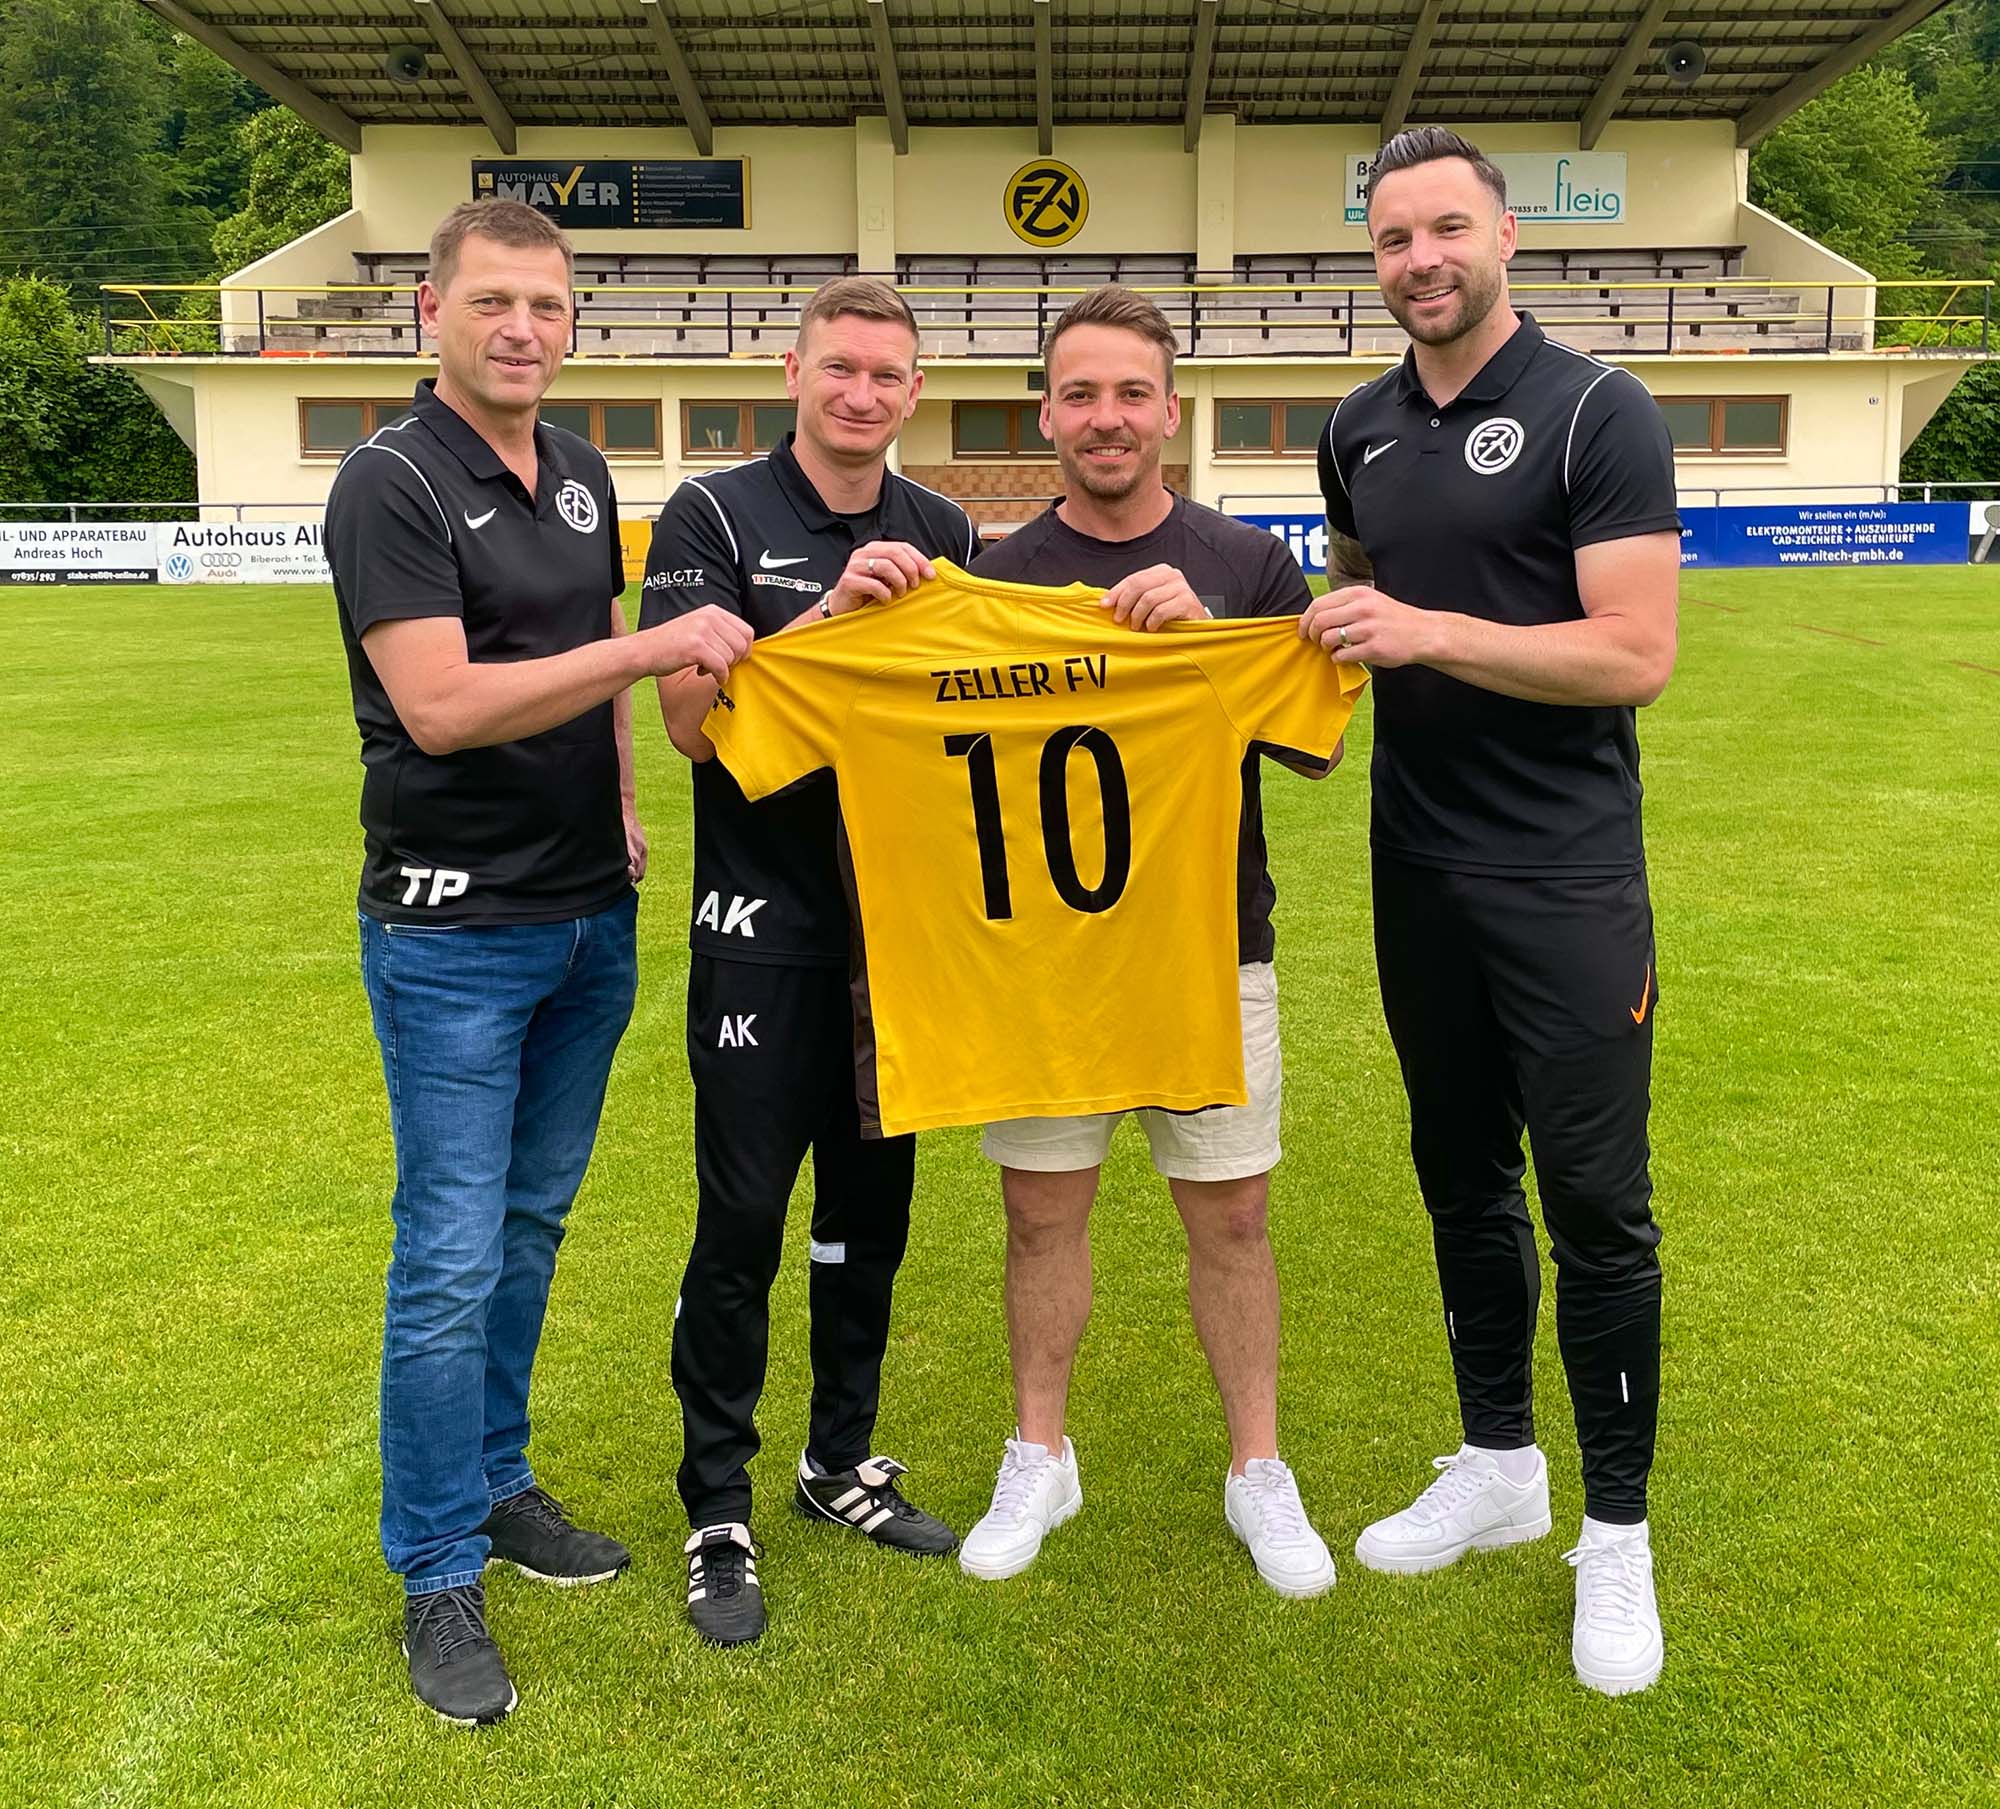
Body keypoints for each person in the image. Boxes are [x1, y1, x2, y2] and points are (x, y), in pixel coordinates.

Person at [324, 198, 753, 1727]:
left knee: (526, 1225)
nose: (522, 328)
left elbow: (591, 679)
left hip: (585, 919)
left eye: (548, 306)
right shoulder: (388, 480)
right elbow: (439, 706)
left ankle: (498, 1483)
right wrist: (655, 647)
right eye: (493, 300)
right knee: (447, 1254)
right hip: (453, 931)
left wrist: (626, 800)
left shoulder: (577, 469)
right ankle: (438, 1567)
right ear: (430, 311)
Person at [1308, 127, 1680, 1695]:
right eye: (1395, 239)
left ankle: (1618, 1533)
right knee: (1460, 1178)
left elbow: (1634, 652)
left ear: (1505, 237)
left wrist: (1429, 631)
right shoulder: (1356, 427)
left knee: (1595, 1205)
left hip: (1567, 875)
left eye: (1446, 229)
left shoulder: (1600, 409)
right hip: (1419, 870)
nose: (1422, 261)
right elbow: (1351, 608)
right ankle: (1499, 1463)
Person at [958, 284, 1342, 1598]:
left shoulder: (1247, 566)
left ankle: (1258, 1468)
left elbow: (1312, 747)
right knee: (1037, 1211)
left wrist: (1211, 649)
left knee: (1233, 1213)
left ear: (1171, 410)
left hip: (1208, 947)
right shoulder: (994, 581)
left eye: (1131, 393)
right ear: (1045, 414)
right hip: (1046, 958)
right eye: (1080, 393)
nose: (1106, 417)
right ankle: (1040, 1451)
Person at [640, 277, 978, 1646]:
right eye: (840, 368)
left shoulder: (944, 528)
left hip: (898, 939)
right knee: (743, 1225)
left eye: (887, 375)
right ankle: (716, 1506)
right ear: (794, 371)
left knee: (867, 1222)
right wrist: (831, 613)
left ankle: (840, 1460)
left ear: (915, 391)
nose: (862, 394)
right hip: (760, 935)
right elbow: (691, 723)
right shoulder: (713, 516)